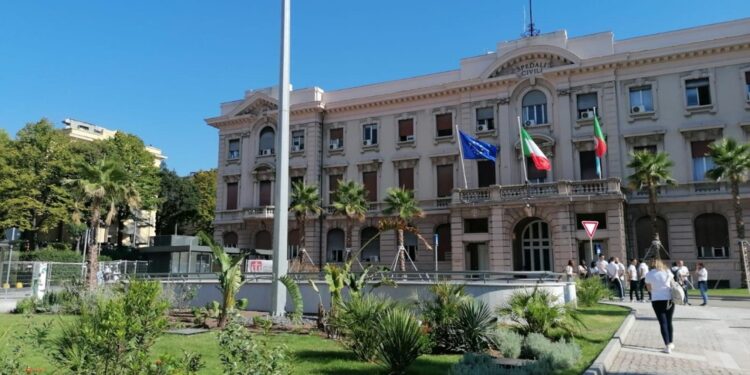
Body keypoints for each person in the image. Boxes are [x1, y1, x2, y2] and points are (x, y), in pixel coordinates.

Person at [645, 259, 676, 354]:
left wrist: (656, 290)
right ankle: (671, 342)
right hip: (669, 299)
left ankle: (667, 346)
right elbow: (673, 284)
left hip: (656, 299)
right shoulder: (667, 272)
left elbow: (649, 289)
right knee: (669, 321)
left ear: (652, 265)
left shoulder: (649, 274)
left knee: (662, 322)